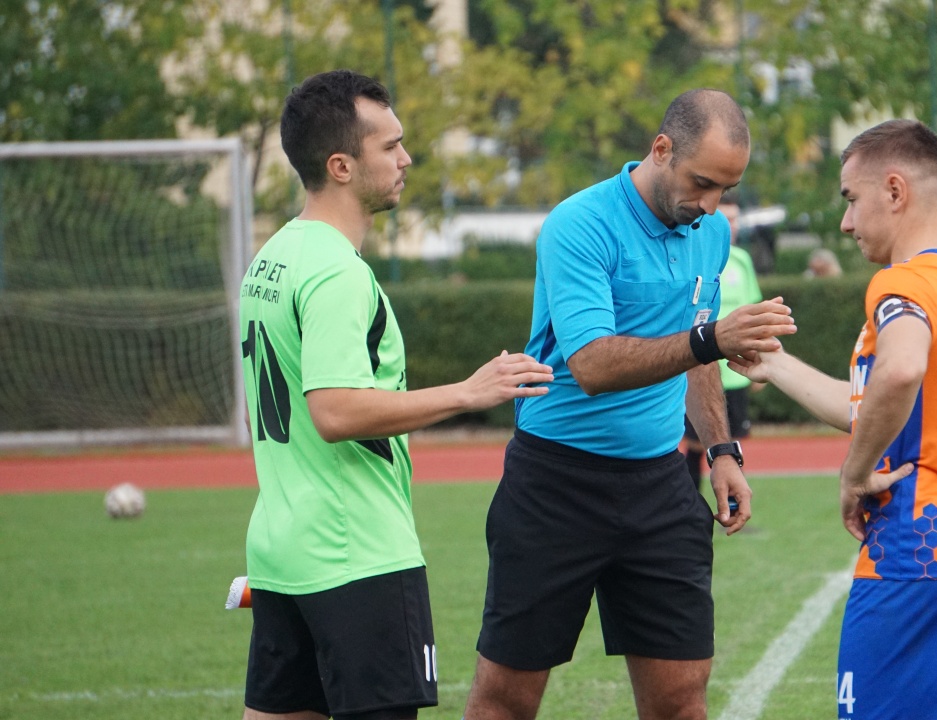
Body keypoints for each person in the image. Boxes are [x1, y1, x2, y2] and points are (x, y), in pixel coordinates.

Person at [461, 89, 797, 720]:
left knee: (682, 702)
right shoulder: (579, 224)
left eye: (726, 189)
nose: (711, 205)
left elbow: (694, 349)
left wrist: (722, 450)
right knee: (506, 700)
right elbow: (593, 365)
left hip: (660, 485)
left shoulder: (711, 233)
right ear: (661, 149)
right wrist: (712, 339)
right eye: (702, 183)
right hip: (555, 484)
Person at [237, 69, 554, 720]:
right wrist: (467, 393)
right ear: (341, 166)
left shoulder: (273, 257)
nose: (406, 158)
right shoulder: (335, 273)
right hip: (357, 554)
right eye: (390, 146)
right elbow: (334, 410)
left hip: (282, 551)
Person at [729, 119, 937, 720]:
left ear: (894, 191)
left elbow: (899, 371)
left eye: (851, 198)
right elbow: (882, 404)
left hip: (921, 545)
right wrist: (777, 365)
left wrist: (855, 473)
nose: (846, 222)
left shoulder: (901, 282)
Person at [682, 191, 765, 490]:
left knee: (734, 444)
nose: (731, 225)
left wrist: (759, 355)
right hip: (700, 370)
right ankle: (691, 501)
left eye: (734, 219)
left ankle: (734, 503)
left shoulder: (742, 261)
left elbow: (751, 309)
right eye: (725, 218)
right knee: (695, 444)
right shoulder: (696, 256)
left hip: (735, 374)